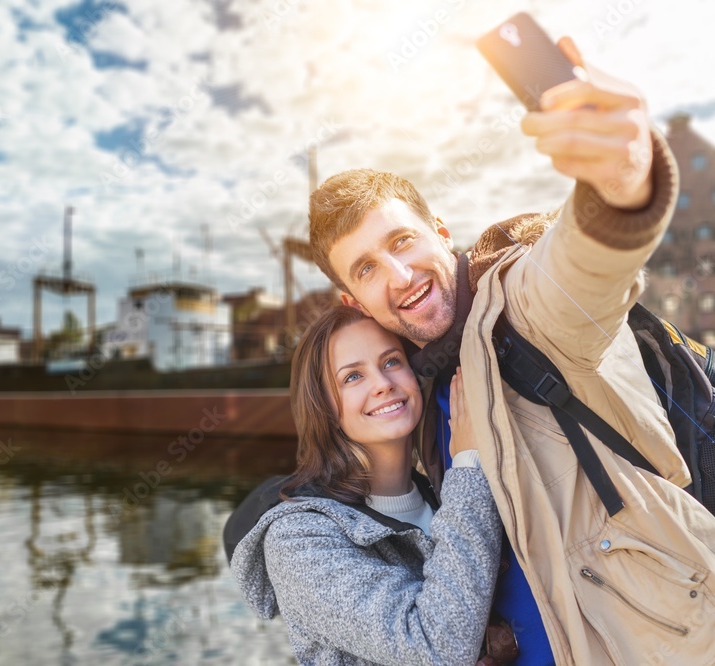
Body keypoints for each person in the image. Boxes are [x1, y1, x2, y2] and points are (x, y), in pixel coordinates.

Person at [307, 37, 715, 665]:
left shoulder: (521, 307)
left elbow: (584, 261)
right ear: (354, 298)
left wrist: (622, 178)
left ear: (442, 233)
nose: (398, 274)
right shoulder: (423, 390)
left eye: (404, 241)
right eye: (366, 268)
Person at [231, 305, 503, 665]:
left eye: (391, 361)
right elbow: (436, 648)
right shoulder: (298, 538)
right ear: (323, 408)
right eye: (352, 377)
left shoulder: (441, 497)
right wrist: (468, 463)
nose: (382, 384)